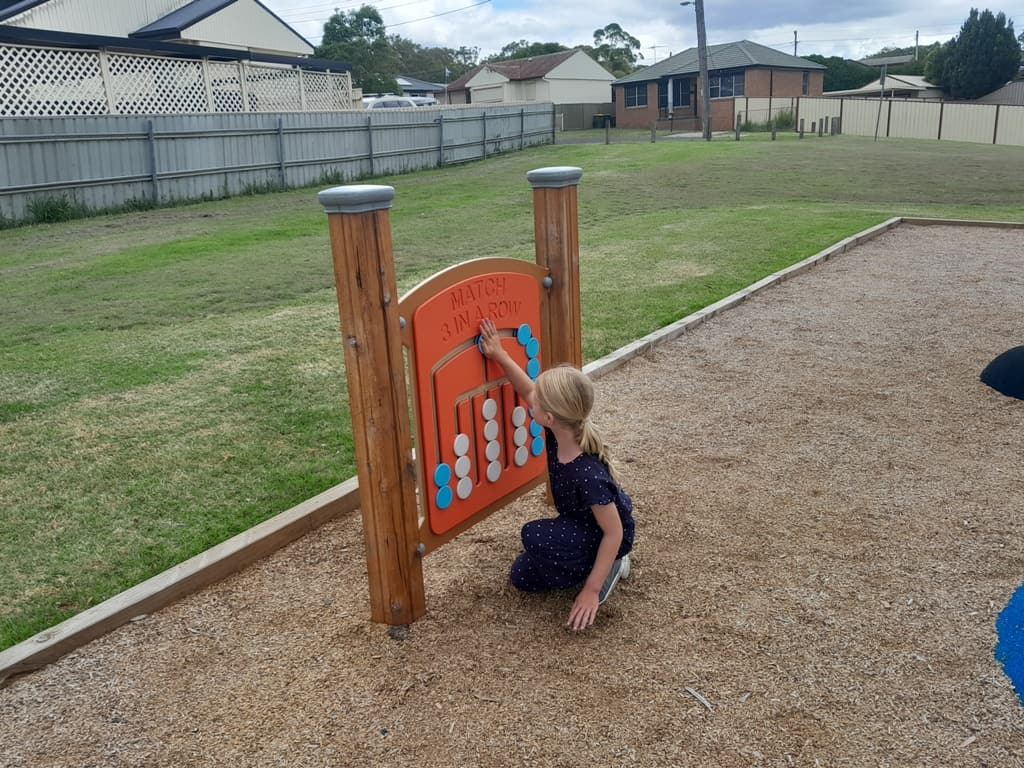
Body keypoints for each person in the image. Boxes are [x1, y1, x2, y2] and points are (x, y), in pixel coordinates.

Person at [478, 318, 635, 631]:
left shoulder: (587, 474)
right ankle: (588, 564)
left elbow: (614, 532)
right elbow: (528, 390)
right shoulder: (560, 430)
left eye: (539, 401)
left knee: (533, 534)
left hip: (607, 535)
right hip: (581, 524)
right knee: (522, 576)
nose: (532, 400)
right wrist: (501, 355)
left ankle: (609, 567)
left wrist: (590, 591)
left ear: (548, 417)